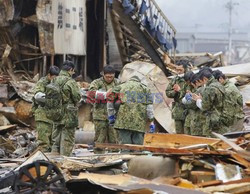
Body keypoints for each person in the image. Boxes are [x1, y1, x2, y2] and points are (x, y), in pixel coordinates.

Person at [112, 76, 154, 145]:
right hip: (139, 122)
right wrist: (151, 120)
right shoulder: (145, 89)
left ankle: (125, 154)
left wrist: (111, 115)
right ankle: (137, 154)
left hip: (123, 121)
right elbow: (149, 108)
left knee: (125, 145)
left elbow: (110, 100)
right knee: (137, 146)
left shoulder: (121, 86)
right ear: (139, 81)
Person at [51, 61, 81, 156]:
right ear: (70, 70)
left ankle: (54, 159)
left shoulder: (53, 80)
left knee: (56, 137)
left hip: (56, 112)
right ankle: (65, 161)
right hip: (68, 114)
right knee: (67, 138)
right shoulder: (70, 82)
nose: (73, 73)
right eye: (73, 71)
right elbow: (77, 97)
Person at [88, 65, 119, 146]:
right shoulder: (97, 82)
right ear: (103, 75)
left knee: (114, 140)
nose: (109, 79)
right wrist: (105, 95)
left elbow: (123, 95)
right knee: (99, 139)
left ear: (114, 75)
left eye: (111, 77)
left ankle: (114, 156)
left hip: (114, 116)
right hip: (100, 116)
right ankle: (98, 155)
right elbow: (91, 93)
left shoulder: (118, 83)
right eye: (107, 77)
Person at [32, 66, 60, 152]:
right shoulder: (42, 82)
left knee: (52, 142)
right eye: (53, 77)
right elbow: (38, 96)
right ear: (49, 75)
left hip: (51, 117)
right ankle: (41, 162)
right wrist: (52, 99)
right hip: (42, 115)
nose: (55, 79)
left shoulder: (56, 84)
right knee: (43, 143)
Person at [192, 70, 227, 137]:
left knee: (214, 140)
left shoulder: (209, 88)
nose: (202, 84)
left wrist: (198, 100)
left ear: (205, 79)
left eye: (202, 81)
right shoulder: (219, 85)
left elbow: (204, 107)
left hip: (214, 119)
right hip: (222, 115)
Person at [165, 64, 189, 134]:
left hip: (187, 110)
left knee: (187, 133)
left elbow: (191, 94)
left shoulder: (188, 79)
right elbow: (167, 93)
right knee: (179, 133)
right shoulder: (174, 80)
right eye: (177, 70)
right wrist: (174, 91)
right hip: (177, 110)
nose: (178, 72)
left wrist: (180, 90)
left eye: (180, 70)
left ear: (185, 69)